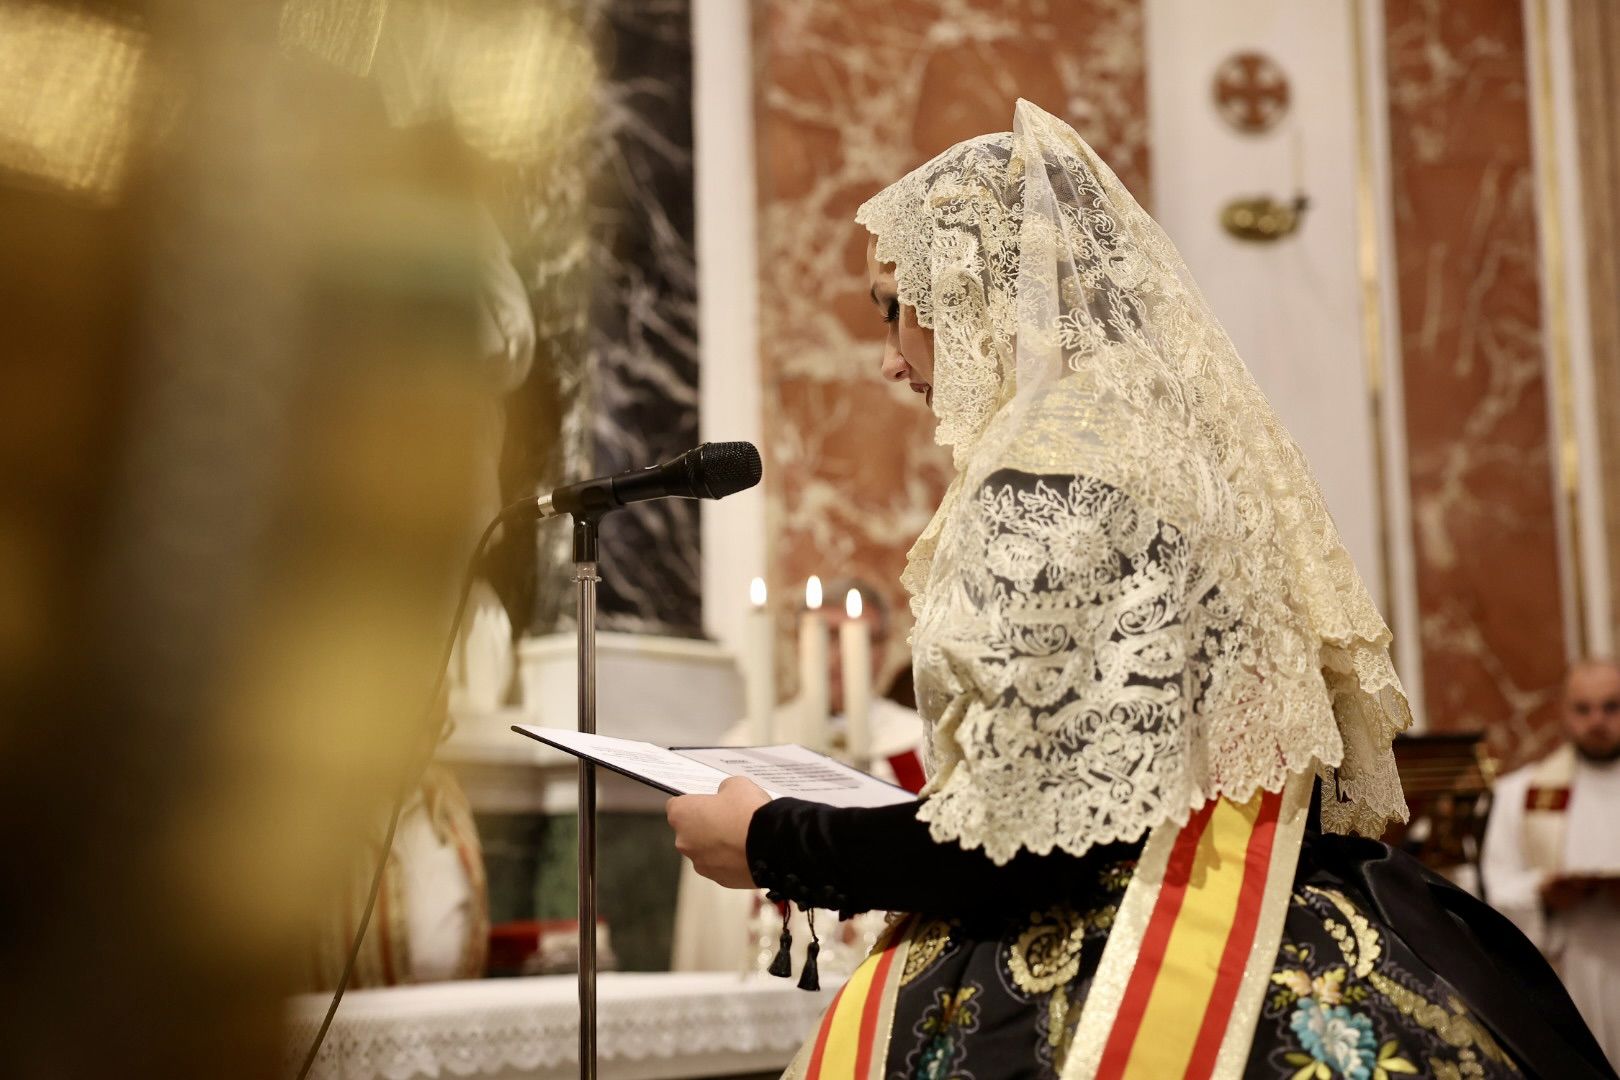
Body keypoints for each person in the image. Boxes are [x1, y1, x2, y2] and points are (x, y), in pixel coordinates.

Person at [668, 100, 1612, 1079]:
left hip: (1121, 944)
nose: (890, 355)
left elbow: (1019, 833)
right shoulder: (1169, 457)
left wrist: (771, 841)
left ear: (974, 294)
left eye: (893, 306)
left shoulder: (1046, 479)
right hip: (1272, 895)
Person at [1482, 657, 1620, 1065]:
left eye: (1612, 707)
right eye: (1583, 708)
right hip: (1570, 968)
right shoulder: (1520, 795)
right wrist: (1541, 894)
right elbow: (1494, 885)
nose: (1597, 720)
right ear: (1563, 712)